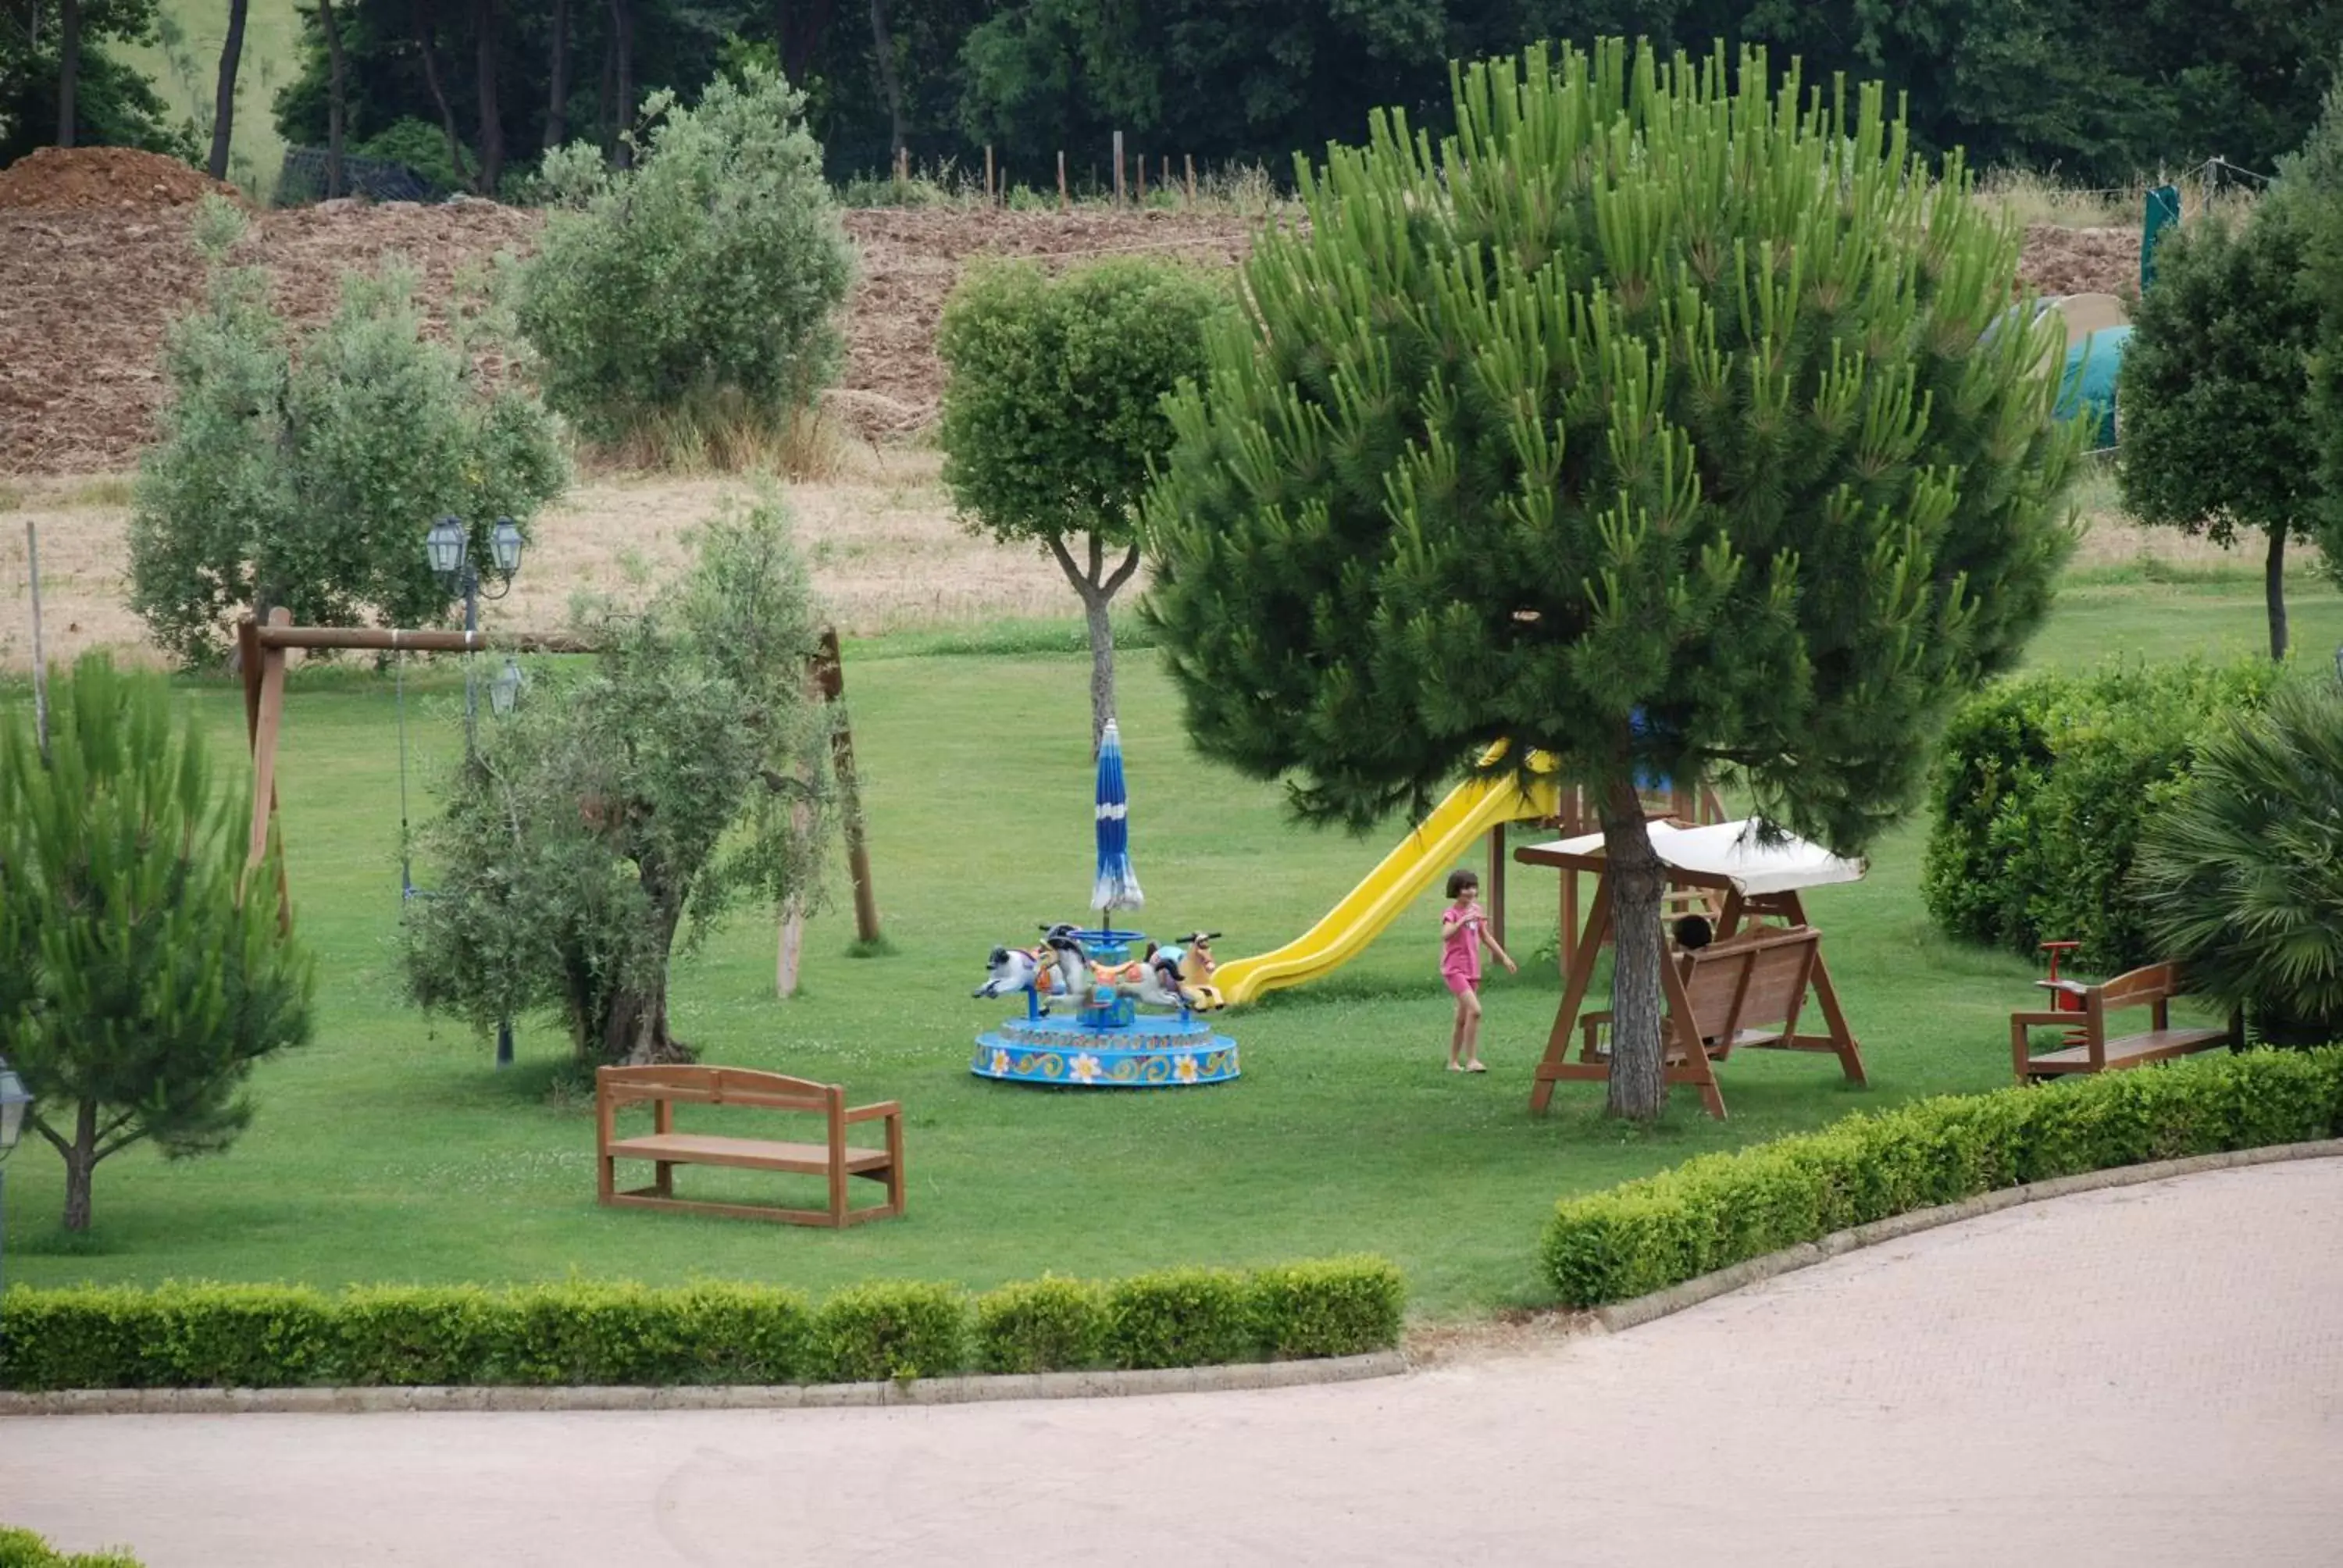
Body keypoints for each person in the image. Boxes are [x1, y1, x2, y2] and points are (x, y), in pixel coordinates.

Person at [1440, 868, 1516, 1073]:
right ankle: (1472, 1060)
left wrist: (1504, 957)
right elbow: (1445, 934)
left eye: (1473, 887)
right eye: (1466, 888)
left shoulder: (1476, 911)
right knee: (1476, 1011)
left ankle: (1453, 1062)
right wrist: (1461, 922)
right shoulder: (1452, 913)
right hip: (1454, 970)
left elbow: (1486, 937)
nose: (1471, 892)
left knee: (1462, 1018)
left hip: (1472, 970)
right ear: (1456, 890)